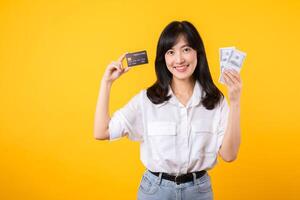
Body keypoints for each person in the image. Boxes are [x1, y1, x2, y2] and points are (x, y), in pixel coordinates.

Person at [94, 20, 242, 200]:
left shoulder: (215, 100)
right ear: (163, 58)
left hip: (199, 192)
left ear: (198, 53)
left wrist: (235, 102)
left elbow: (229, 155)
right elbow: (102, 131)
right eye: (171, 52)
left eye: (186, 49)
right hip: (155, 192)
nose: (179, 59)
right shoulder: (147, 100)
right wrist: (106, 83)